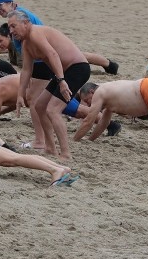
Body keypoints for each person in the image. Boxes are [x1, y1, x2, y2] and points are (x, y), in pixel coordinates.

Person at [7, 9, 91, 161]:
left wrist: (61, 81)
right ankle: (50, 148)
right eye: (9, 27)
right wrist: (20, 94)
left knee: (53, 110)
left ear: (26, 23)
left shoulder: (35, 33)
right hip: (63, 73)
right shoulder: (26, 44)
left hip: (77, 68)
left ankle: (66, 154)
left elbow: (53, 55)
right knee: (39, 106)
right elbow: (26, 70)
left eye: (14, 26)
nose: (11, 31)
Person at [0, 0, 120, 74]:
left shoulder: (21, 16)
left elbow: (33, 38)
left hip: (48, 46)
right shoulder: (15, 16)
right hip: (44, 48)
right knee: (79, 56)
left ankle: (108, 64)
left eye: (0, 5)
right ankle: (109, 64)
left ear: (10, 3)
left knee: (77, 57)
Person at [0, 73, 125, 138]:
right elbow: (17, 102)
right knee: (75, 110)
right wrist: (3, 113)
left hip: (43, 92)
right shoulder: (3, 81)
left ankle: (111, 124)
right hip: (44, 85)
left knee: (78, 111)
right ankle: (109, 123)